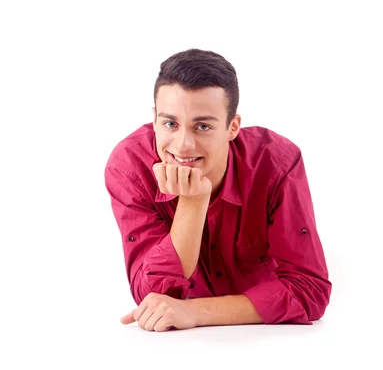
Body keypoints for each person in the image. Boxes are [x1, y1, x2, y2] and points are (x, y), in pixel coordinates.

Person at [104, 48, 332, 332]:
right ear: (154, 120)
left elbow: (309, 290)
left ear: (232, 126)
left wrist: (194, 311)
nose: (183, 145)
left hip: (267, 338)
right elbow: (152, 295)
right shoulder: (130, 167)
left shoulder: (276, 163)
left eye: (202, 126)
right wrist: (193, 202)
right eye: (170, 123)